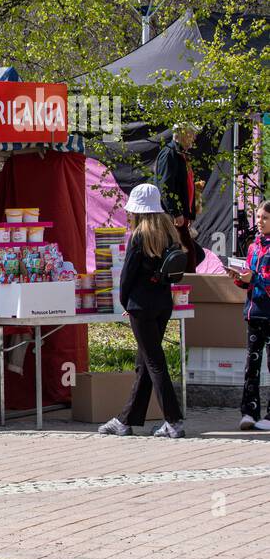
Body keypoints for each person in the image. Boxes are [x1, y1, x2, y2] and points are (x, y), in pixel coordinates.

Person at [98, 184, 185, 439]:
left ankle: (173, 419)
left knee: (155, 364)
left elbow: (127, 277)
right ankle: (126, 420)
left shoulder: (139, 236)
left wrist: (127, 304)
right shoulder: (169, 233)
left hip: (141, 306)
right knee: (144, 363)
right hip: (163, 304)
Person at [229, 200, 270, 430]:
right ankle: (249, 412)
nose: (260, 222)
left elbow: (262, 279)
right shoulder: (254, 247)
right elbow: (248, 280)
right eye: (258, 218)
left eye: (265, 218)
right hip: (254, 313)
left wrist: (253, 278)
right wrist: (237, 277)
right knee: (251, 365)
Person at [155, 124, 201, 273]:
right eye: (191, 133)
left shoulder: (181, 155)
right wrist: (176, 212)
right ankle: (184, 290)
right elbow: (165, 186)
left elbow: (186, 187)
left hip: (180, 215)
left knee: (194, 254)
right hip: (171, 216)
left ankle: (179, 286)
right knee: (189, 255)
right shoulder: (169, 154)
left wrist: (189, 214)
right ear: (181, 134)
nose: (194, 137)